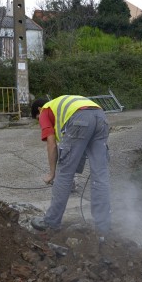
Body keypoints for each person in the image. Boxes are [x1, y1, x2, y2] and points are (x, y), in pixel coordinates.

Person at [30, 95, 111, 236]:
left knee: (64, 173)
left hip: (80, 119)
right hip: (101, 116)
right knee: (100, 175)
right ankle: (103, 225)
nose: (40, 122)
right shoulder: (63, 103)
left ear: (39, 109)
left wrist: (52, 173)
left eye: (37, 119)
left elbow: (51, 143)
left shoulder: (45, 110)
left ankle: (51, 222)